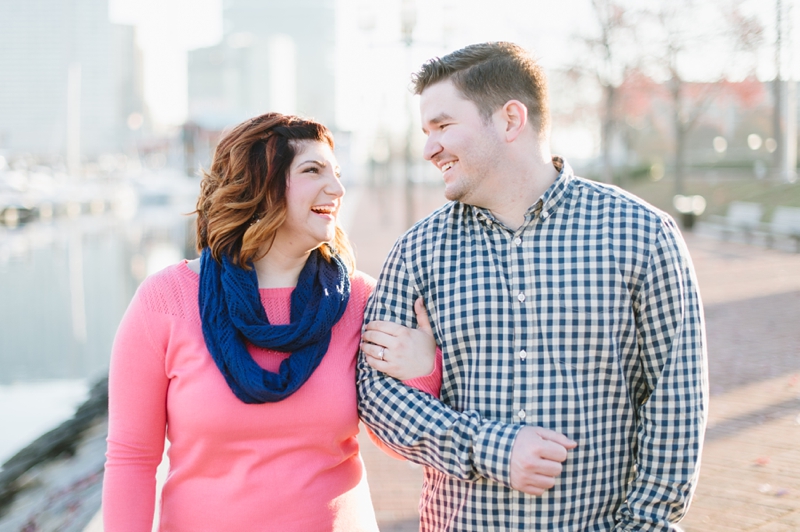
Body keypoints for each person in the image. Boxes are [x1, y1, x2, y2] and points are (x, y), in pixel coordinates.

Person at [357, 42, 708, 530]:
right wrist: (492, 449)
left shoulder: (642, 235)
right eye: (426, 131)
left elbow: (676, 400)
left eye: (442, 126)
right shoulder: (418, 253)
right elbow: (375, 396)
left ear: (509, 120)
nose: (428, 147)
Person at [102, 112, 440, 531]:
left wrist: (424, 369)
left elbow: (403, 442)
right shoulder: (165, 301)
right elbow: (132, 458)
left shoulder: (359, 300)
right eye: (312, 170)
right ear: (258, 184)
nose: (337, 188)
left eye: (335, 172)